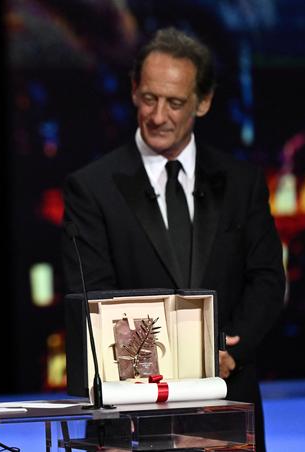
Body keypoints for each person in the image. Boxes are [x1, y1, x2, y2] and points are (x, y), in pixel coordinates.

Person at [61, 28, 284, 450]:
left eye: (175, 102)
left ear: (203, 102)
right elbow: (91, 293)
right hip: (131, 414)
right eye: (149, 98)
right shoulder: (91, 188)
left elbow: (268, 279)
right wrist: (167, 365)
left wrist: (230, 351)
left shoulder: (242, 183)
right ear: (133, 91)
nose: (158, 115)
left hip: (227, 405)